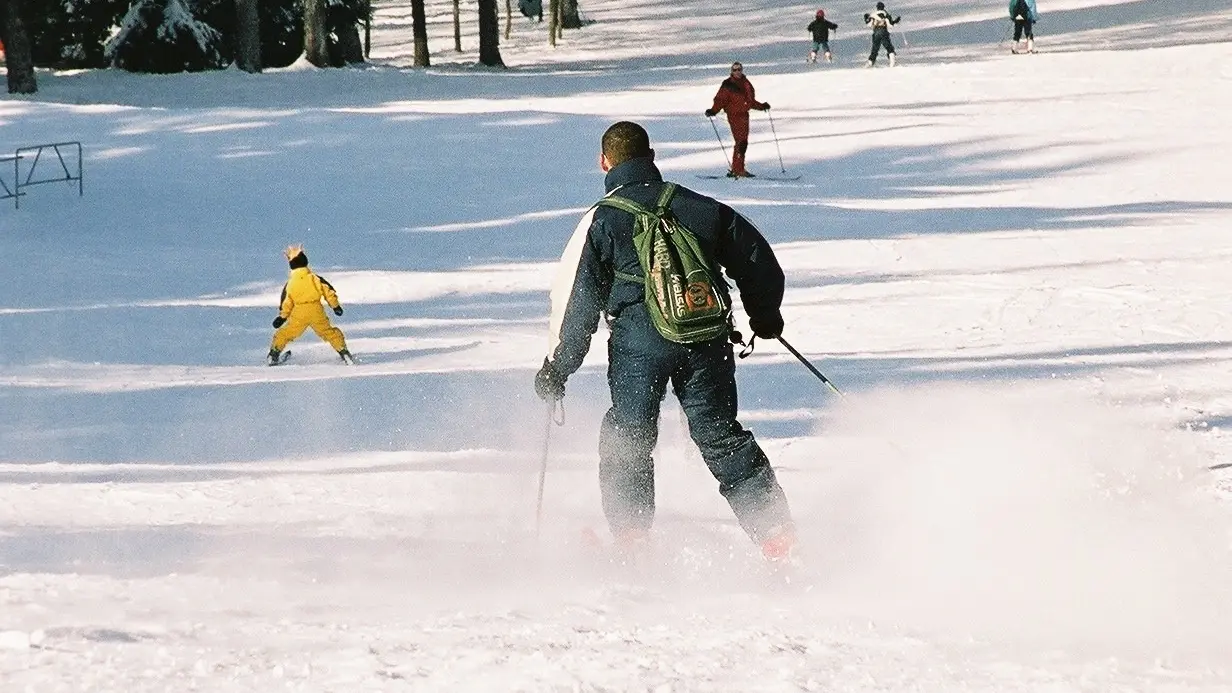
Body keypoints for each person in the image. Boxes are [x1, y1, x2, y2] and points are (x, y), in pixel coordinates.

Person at [533, 121, 796, 562]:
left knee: (628, 436)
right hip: (706, 340)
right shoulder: (698, 206)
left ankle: (633, 541)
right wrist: (764, 315)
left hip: (638, 348)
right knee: (720, 436)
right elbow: (757, 260)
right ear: (651, 158)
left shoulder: (602, 218)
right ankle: (777, 535)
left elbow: (577, 304)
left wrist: (557, 369)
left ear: (605, 162)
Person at [268, 245, 354, 366]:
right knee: (329, 332)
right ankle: (343, 351)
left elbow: (286, 302)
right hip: (316, 311)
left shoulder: (291, 283)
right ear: (306, 262)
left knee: (286, 333)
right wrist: (335, 306)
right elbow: (328, 291)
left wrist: (282, 317)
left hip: (299, 313)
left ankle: (274, 353)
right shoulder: (315, 278)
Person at [704, 62, 770, 179]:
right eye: (735, 70)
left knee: (743, 142)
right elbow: (720, 100)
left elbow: (750, 101)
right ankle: (738, 169)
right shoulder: (728, 84)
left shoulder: (745, 83)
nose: (737, 72)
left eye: (739, 69)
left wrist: (761, 106)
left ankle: (738, 168)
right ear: (731, 71)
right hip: (734, 116)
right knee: (741, 142)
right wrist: (713, 110)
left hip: (744, 115)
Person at [863, 2, 901, 67]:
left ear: (877, 7)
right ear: (883, 7)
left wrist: (866, 18)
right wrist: (895, 21)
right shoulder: (885, 14)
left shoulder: (873, 14)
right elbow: (890, 25)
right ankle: (892, 63)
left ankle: (869, 63)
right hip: (883, 32)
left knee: (875, 49)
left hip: (875, 33)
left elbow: (869, 24)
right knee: (889, 47)